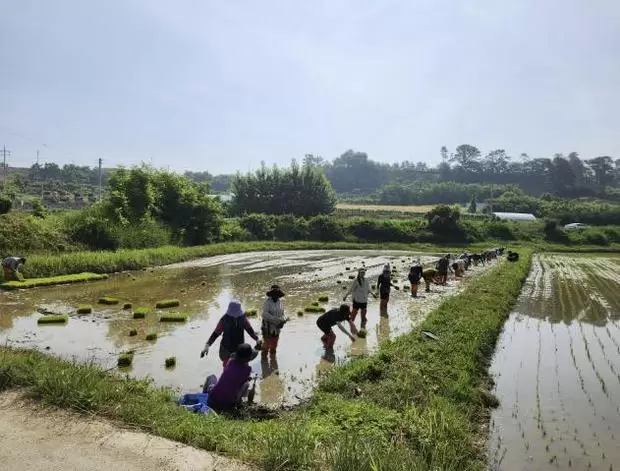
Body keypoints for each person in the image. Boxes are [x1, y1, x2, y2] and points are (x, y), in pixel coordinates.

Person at [201, 300, 260, 367]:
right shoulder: (224, 319)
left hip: (240, 349)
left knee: (242, 366)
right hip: (226, 348)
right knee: (227, 366)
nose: (235, 316)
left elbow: (249, 329)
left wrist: (257, 339)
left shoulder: (243, 318)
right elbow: (216, 333)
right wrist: (207, 345)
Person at [202, 343, 258, 412]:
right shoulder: (248, 369)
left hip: (212, 399)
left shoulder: (230, 362)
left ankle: (203, 399)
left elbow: (232, 374)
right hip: (228, 404)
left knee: (211, 377)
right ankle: (239, 403)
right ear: (248, 358)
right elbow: (241, 382)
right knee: (246, 384)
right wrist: (247, 378)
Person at [261, 284, 289, 360]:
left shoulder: (280, 302)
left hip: (277, 328)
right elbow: (264, 314)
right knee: (266, 344)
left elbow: (283, 313)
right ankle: (264, 361)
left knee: (274, 344)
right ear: (271, 295)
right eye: (274, 294)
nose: (275, 296)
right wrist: (276, 320)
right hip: (267, 327)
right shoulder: (267, 302)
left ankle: (273, 360)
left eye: (277, 294)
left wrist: (283, 320)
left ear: (279, 295)